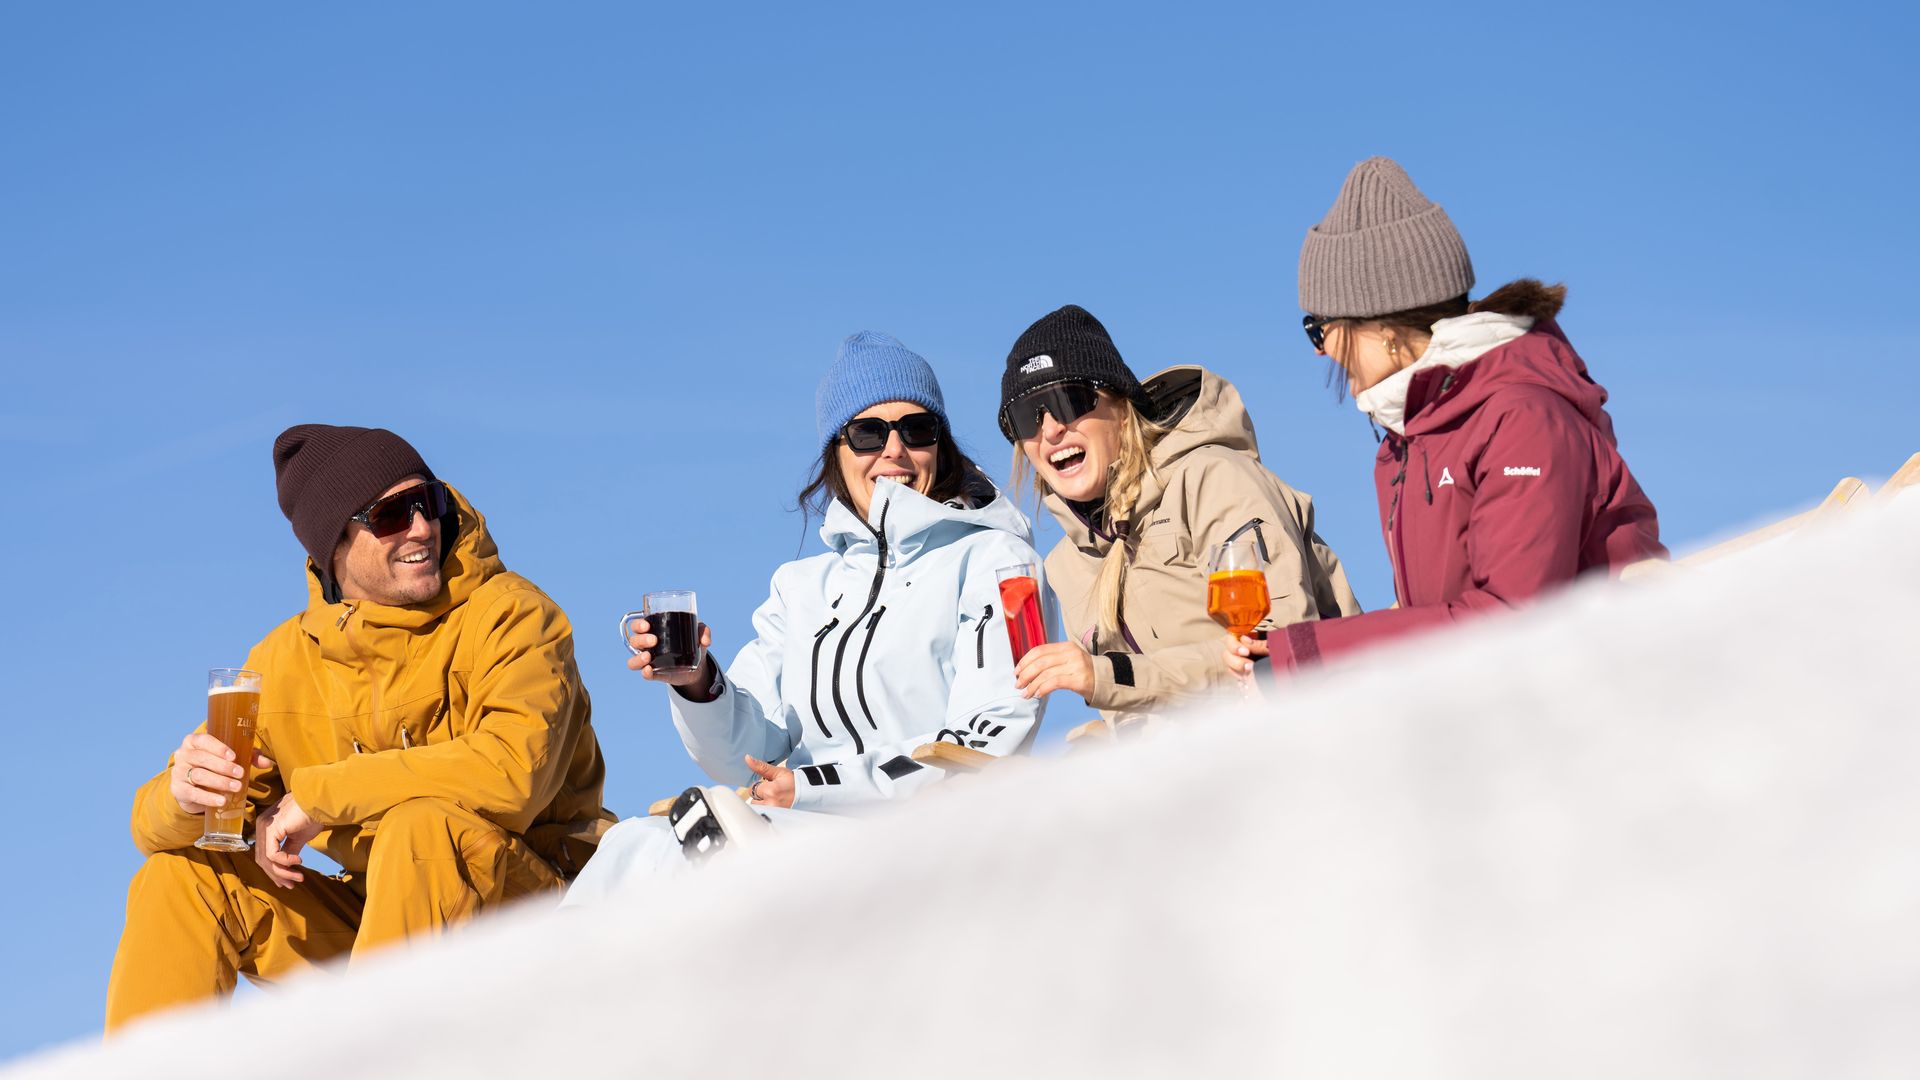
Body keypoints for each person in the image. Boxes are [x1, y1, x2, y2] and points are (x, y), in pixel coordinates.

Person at [106, 426, 612, 1030]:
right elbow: (150, 827)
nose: (421, 527)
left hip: (536, 909)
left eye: (429, 502)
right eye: (393, 514)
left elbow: (512, 773)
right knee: (181, 877)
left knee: (423, 825)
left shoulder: (512, 614)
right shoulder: (283, 661)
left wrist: (321, 796)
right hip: (381, 927)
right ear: (333, 542)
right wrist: (184, 794)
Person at [566, 332, 1043, 900]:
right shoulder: (800, 589)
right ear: (835, 453)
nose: (893, 450)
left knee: (707, 852)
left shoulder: (998, 562)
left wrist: (814, 788)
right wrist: (698, 682)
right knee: (632, 846)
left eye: (916, 429)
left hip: (924, 833)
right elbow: (747, 754)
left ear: (940, 446)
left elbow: (988, 737)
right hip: (800, 820)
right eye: (868, 432)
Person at [1229, 156, 1665, 681]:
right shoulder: (1405, 445)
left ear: (1383, 326)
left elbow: (1512, 617)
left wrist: (1306, 657)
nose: (1320, 351)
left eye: (1319, 327)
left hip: (1607, 695)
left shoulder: (1523, 416)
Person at [997, 304, 1361, 726]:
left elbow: (1275, 648)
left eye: (1067, 401)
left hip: (1312, 740)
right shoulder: (1067, 565)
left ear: (1121, 402)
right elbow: (1134, 720)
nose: (1051, 430)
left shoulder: (1212, 480)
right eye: (1027, 417)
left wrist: (1106, 675)